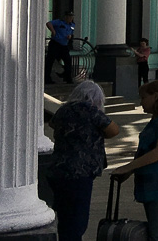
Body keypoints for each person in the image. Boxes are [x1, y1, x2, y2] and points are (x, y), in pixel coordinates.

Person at [47, 80, 121, 241]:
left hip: (58, 169)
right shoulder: (91, 111)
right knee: (78, 220)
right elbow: (114, 130)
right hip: (80, 172)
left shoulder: (64, 110)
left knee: (65, 216)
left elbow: (52, 124)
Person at [112, 80, 158, 241]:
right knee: (155, 232)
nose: (141, 102)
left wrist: (128, 167)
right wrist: (130, 171)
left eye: (143, 97)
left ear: (156, 96)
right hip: (153, 183)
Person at [45, 10, 76, 84]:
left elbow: (71, 32)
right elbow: (48, 23)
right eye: (69, 16)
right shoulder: (59, 22)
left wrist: (70, 36)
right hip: (55, 43)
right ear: (66, 17)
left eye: (71, 17)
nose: (70, 18)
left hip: (64, 45)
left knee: (68, 61)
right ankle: (47, 78)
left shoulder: (72, 25)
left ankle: (68, 78)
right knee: (50, 61)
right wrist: (53, 31)